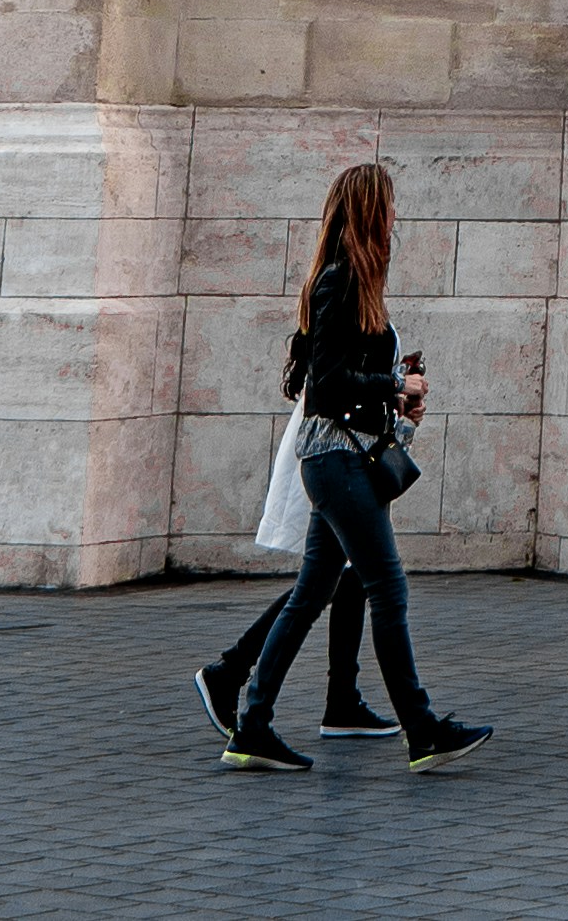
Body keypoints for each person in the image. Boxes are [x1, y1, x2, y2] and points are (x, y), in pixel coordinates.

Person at [222, 158, 493, 774]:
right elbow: (327, 382)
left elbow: (349, 382)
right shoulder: (339, 282)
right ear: (372, 211)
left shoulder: (354, 281)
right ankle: (422, 730)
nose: (397, 216)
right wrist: (394, 384)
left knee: (311, 594)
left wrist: (400, 406)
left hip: (338, 461)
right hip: (335, 461)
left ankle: (253, 726)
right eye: (390, 205)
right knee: (387, 588)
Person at [193, 381, 395, 747]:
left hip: (347, 445)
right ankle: (232, 671)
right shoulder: (337, 339)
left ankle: (341, 699)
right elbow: (337, 376)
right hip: (335, 447)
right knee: (324, 582)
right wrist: (395, 385)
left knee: (345, 575)